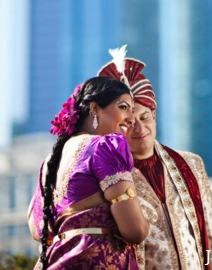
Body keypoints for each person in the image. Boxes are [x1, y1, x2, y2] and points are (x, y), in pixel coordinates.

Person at [98, 46, 212, 270]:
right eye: (129, 122)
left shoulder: (191, 164)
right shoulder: (109, 173)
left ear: (154, 115)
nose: (139, 128)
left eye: (144, 117)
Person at [27, 76, 149, 270]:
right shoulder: (107, 146)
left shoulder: (50, 162)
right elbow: (135, 231)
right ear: (94, 109)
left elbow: (38, 230)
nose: (132, 118)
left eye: (133, 110)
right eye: (124, 107)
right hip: (97, 261)